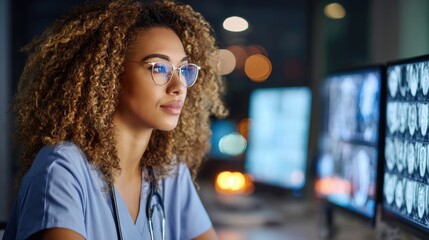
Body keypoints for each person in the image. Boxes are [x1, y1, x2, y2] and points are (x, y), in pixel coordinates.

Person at [3, 0, 227, 239]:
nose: (179, 86)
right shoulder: (61, 169)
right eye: (160, 68)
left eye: (183, 70)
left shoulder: (169, 173)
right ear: (110, 76)